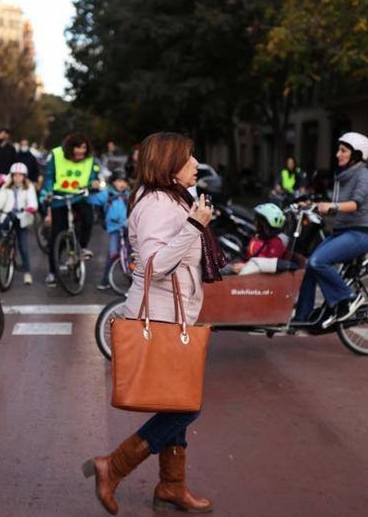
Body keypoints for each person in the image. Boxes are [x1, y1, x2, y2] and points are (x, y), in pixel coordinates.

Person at [83, 132, 223, 514]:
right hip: (160, 315)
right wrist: (194, 226)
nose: (196, 163)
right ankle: (112, 466)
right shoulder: (159, 203)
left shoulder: (173, 198)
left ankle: (172, 486)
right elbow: (156, 265)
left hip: (174, 312)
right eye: (189, 157)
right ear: (169, 164)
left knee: (179, 400)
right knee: (187, 405)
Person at [292, 132, 368, 329]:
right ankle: (303, 316)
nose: (338, 154)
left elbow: (354, 204)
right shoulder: (343, 175)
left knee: (317, 261)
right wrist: (311, 204)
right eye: (338, 150)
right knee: (309, 266)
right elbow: (334, 203)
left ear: (356, 154)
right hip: (342, 231)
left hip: (360, 233)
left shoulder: (363, 175)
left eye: (343, 150)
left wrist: (332, 207)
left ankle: (348, 298)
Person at [40, 133, 100, 287]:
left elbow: (93, 175)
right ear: (70, 148)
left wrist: (94, 183)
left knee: (88, 219)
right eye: (78, 149)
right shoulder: (57, 154)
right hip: (59, 197)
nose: (81, 152)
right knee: (57, 234)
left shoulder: (89, 158)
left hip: (79, 196)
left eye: (84, 149)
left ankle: (82, 248)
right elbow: (49, 176)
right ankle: (53, 272)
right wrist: (47, 192)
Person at [0, 162, 38, 285]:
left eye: (20, 175)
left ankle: (27, 272)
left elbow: (32, 200)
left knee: (23, 246)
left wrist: (31, 208)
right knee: (3, 222)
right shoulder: (6, 188)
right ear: (11, 176)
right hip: (9, 214)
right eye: (15, 175)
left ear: (24, 176)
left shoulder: (29, 187)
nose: (18, 177)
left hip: (22, 216)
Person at [87, 169, 130, 290]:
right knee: (113, 254)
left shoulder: (129, 194)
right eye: (119, 181)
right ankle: (105, 280)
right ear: (113, 182)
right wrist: (89, 191)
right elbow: (92, 199)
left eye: (124, 181)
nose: (122, 184)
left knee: (132, 252)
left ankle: (133, 278)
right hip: (114, 229)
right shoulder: (107, 194)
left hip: (129, 227)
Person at [228, 202, 289, 275]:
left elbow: (266, 268)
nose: (254, 222)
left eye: (257, 220)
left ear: (265, 224)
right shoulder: (259, 237)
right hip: (244, 270)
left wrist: (245, 267)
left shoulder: (275, 244)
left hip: (253, 277)